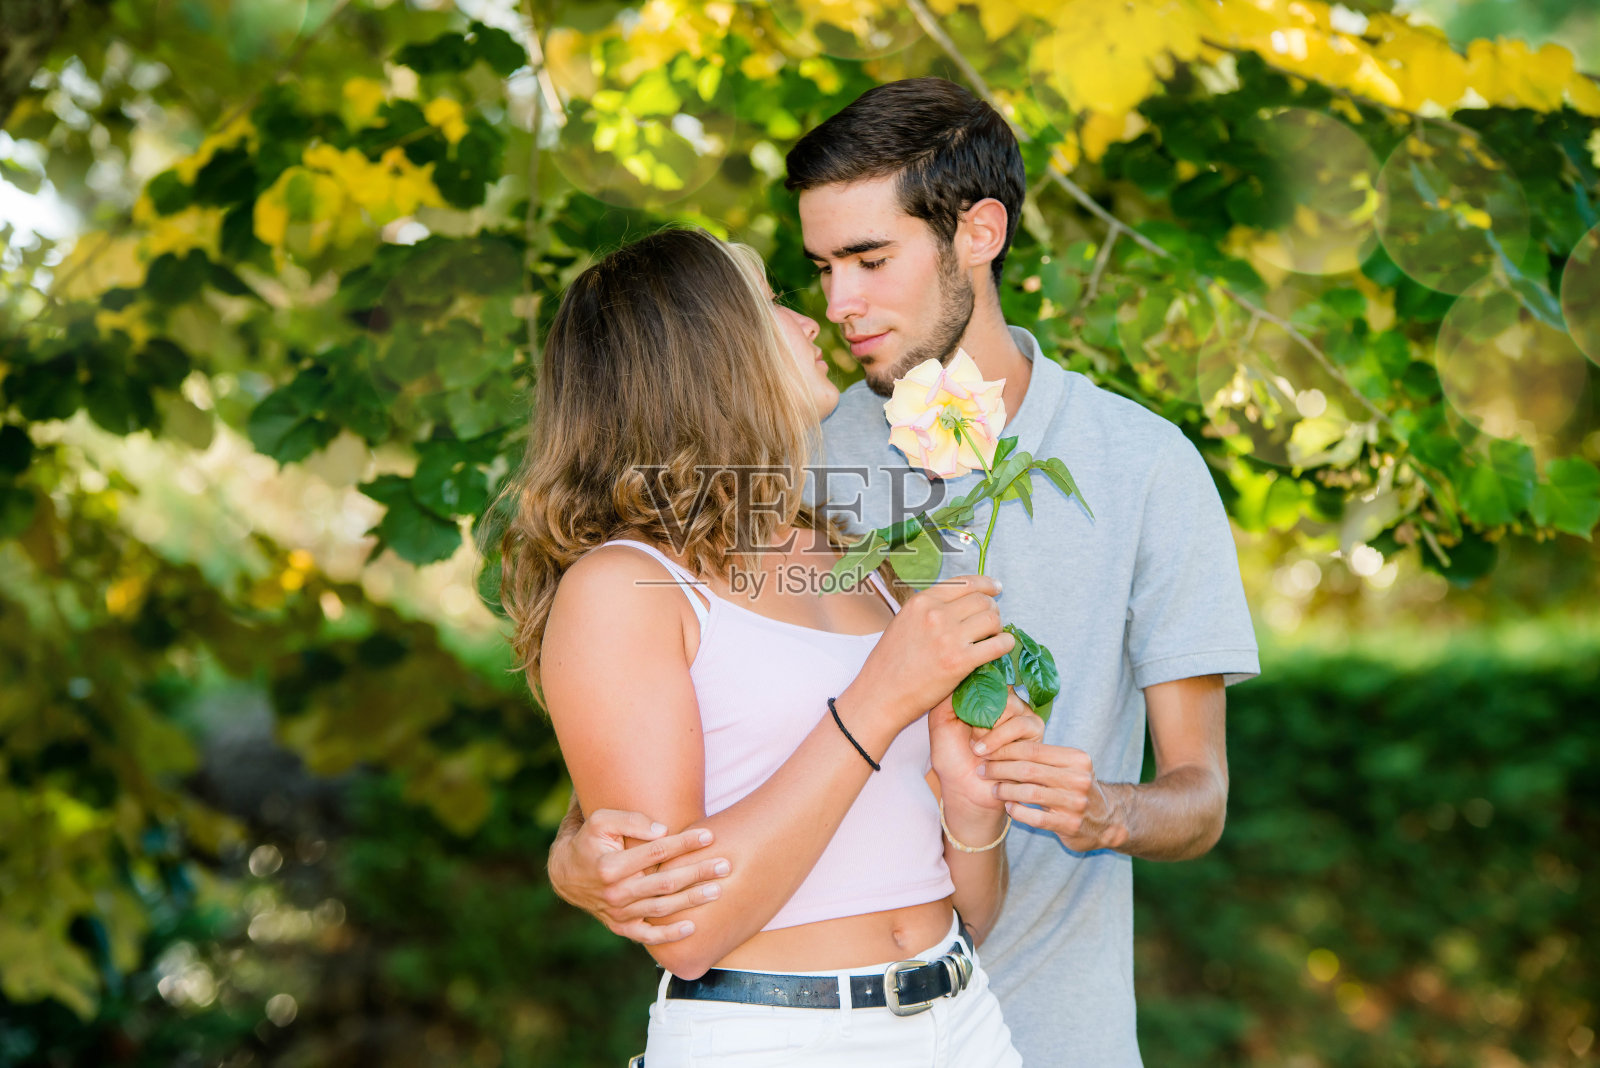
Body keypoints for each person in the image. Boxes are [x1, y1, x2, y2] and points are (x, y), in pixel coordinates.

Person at [546, 79, 1261, 1066]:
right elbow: (664, 717)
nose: (837, 306)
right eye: (820, 269)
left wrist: (1106, 809)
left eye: (870, 260)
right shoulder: (792, 459)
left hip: (1045, 1033)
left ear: (979, 231)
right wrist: (575, 852)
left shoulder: (1143, 465)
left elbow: (1202, 795)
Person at [498, 225, 1037, 1065]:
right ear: (705, 353)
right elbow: (685, 933)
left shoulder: (855, 560)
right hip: (773, 1036)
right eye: (774, 303)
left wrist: (973, 808)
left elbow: (972, 907)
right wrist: (879, 698)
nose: (810, 320)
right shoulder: (622, 588)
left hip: (962, 1016)